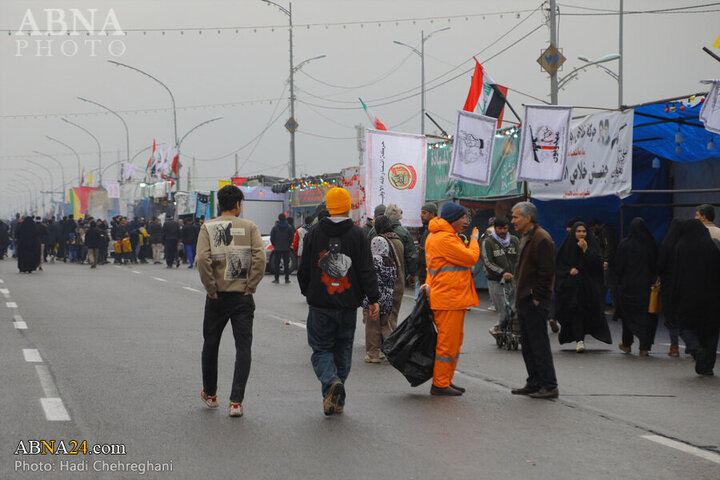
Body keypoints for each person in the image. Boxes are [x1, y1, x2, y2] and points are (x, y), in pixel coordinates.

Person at [297, 187, 379, 415]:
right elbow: (366, 269)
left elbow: (303, 268)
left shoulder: (314, 232)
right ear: (348, 206)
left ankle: (331, 382)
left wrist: (308, 292)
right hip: (347, 305)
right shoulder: (358, 234)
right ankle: (337, 395)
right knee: (343, 348)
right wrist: (373, 298)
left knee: (321, 349)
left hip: (320, 303)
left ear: (328, 206)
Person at [196, 185, 266, 417]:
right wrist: (251, 285)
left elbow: (202, 259)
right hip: (242, 297)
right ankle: (236, 402)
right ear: (238, 205)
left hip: (216, 297)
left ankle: (211, 394)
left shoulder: (208, 227)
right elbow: (260, 257)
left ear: (219, 204)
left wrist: (211, 287)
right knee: (243, 348)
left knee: (211, 344)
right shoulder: (250, 227)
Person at [424, 202, 480, 396]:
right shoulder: (445, 239)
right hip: (449, 298)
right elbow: (470, 258)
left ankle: (445, 380)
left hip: (449, 297)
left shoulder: (441, 236)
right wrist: (474, 240)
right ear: (454, 219)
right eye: (463, 217)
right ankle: (440, 383)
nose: (465, 221)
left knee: (453, 342)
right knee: (448, 344)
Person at [510, 202, 558, 399]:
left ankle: (549, 385)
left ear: (527, 218)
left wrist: (537, 297)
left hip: (534, 301)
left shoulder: (541, 239)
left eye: (515, 217)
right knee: (528, 345)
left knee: (539, 345)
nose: (513, 221)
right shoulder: (527, 236)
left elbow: (546, 273)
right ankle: (534, 382)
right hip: (524, 299)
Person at [554, 222, 612, 352]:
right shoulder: (566, 247)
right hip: (571, 289)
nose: (581, 234)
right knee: (575, 312)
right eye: (578, 231)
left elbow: (597, 264)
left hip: (588, 288)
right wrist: (569, 270)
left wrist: (586, 250)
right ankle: (579, 340)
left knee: (587, 313)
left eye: (584, 231)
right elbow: (559, 265)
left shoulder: (592, 245)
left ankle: (582, 338)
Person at [672, 219, 720, 375]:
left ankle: (696, 349)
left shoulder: (681, 247)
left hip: (688, 295)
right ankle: (707, 367)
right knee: (711, 332)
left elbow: (676, 274)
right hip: (712, 296)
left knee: (686, 327)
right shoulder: (712, 246)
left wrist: (675, 295)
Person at [363, 215, 404, 363]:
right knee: (386, 325)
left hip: (375, 299)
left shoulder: (373, 262)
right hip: (388, 297)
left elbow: (370, 280)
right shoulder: (390, 262)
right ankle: (395, 350)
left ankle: (373, 354)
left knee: (372, 326)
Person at [615, 218, 658, 356]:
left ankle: (627, 344)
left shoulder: (625, 244)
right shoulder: (651, 244)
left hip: (628, 286)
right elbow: (656, 264)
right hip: (646, 287)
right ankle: (644, 347)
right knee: (646, 318)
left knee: (628, 316)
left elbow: (618, 266)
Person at [483, 216, 520, 339]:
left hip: (514, 279)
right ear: (495, 228)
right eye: (500, 229)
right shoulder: (488, 242)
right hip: (496, 280)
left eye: (505, 228)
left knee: (515, 308)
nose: (503, 231)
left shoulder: (514, 240)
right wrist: (502, 272)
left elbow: (520, 259)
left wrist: (517, 273)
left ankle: (510, 330)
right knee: (503, 310)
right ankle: (497, 328)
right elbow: (487, 262)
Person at [657, 218, 687, 357]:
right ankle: (689, 344)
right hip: (685, 286)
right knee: (685, 316)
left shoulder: (666, 244)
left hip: (668, 286)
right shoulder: (687, 244)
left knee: (670, 317)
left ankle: (674, 346)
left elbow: (660, 266)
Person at [379, 204, 417, 290]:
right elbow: (411, 256)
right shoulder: (404, 232)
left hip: (378, 273)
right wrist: (412, 274)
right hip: (398, 273)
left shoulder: (374, 230)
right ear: (398, 217)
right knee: (395, 300)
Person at [416, 202, 438, 299]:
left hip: (428, 276)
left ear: (432, 214)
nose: (421, 215)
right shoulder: (427, 230)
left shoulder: (434, 231)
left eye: (424, 213)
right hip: (423, 274)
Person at [270, 213, 294, 284]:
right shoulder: (289, 227)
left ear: (279, 218)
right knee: (286, 264)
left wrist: (275, 245)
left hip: (277, 248)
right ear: (285, 218)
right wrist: (288, 244)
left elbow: (272, 238)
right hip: (286, 248)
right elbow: (292, 238)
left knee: (276, 264)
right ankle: (287, 279)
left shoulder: (275, 227)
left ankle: (276, 279)